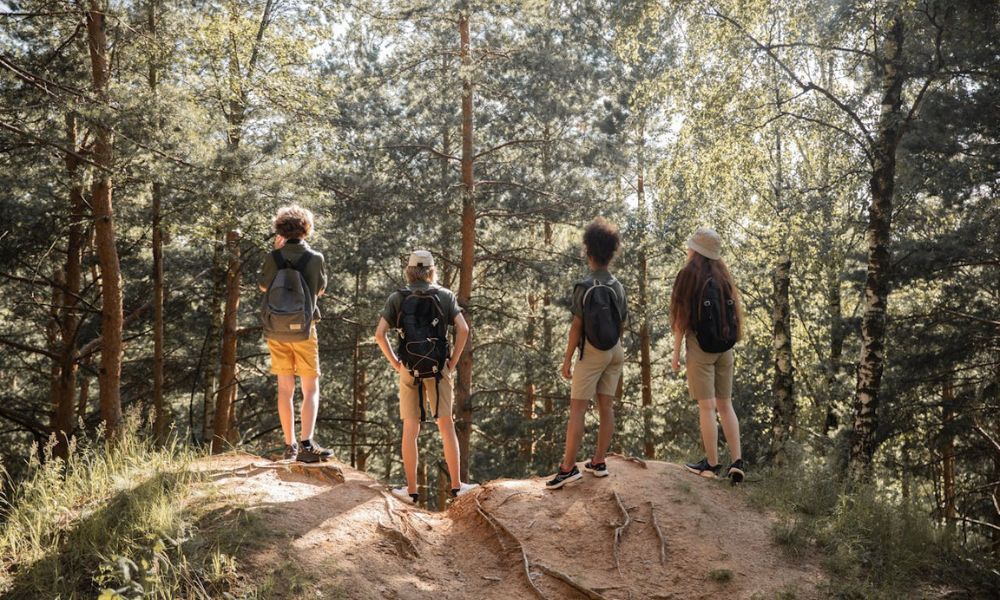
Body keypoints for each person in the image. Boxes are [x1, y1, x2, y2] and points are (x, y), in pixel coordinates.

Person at [374, 250, 479, 504]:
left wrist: (396, 364)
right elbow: (463, 329)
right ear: (432, 270)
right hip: (438, 369)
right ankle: (456, 486)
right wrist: (452, 362)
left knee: (411, 428)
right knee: (446, 425)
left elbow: (379, 334)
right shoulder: (444, 295)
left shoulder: (397, 298)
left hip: (409, 367)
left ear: (409, 271)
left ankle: (411, 491)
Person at [547, 218, 628, 489]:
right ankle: (598, 461)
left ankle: (568, 468)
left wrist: (568, 358)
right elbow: (622, 322)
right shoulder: (618, 286)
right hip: (615, 350)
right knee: (606, 407)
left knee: (578, 410)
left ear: (588, 251)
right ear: (612, 252)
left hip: (591, 352)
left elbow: (577, 326)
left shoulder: (584, 286)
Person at [257, 205, 333, 463]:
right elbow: (320, 290)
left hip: (276, 330)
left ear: (280, 229)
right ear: (306, 229)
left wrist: (278, 256)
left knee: (284, 388)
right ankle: (306, 444)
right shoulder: (315, 258)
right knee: (310, 388)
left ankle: (289, 445)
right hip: (303, 330)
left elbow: (264, 286)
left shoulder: (272, 257)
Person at [670, 227, 746, 482]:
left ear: (695, 250)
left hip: (700, 347)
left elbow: (680, 319)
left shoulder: (688, 275)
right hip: (725, 348)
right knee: (726, 404)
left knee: (707, 406)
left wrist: (676, 353)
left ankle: (711, 465)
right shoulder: (723, 276)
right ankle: (737, 462)